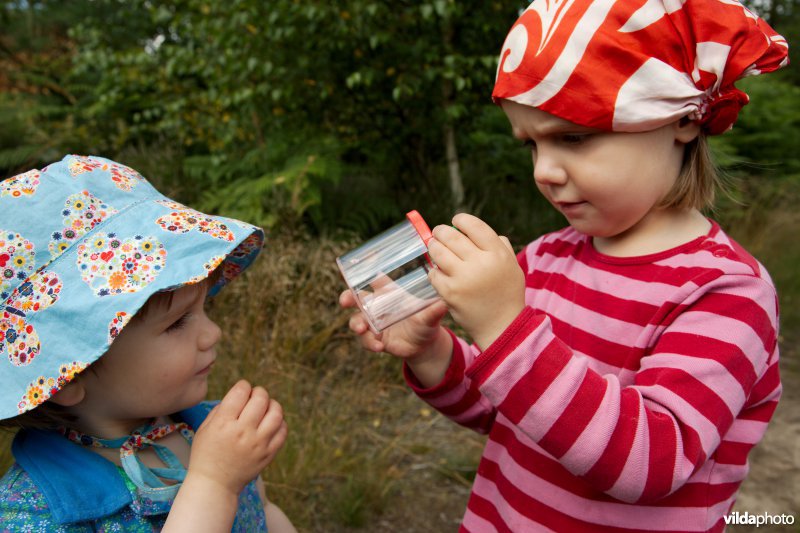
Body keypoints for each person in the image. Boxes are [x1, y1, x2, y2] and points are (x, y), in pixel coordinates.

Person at [341, 1, 789, 531]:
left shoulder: (726, 291)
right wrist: (433, 352)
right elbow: (507, 412)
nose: (544, 171)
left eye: (573, 137)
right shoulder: (546, 259)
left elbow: (649, 462)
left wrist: (506, 329)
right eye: (531, 144)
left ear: (681, 121)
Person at [0, 155, 296, 532]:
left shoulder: (210, 428)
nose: (213, 333)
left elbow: (264, 513)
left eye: (206, 308)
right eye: (177, 323)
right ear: (68, 373)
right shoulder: (36, 514)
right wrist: (214, 484)